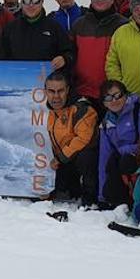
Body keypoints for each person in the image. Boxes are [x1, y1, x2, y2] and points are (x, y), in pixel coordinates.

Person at [96, 79, 140, 209]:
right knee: (111, 163)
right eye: (109, 97)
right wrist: (102, 196)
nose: (114, 100)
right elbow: (104, 158)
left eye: (118, 95)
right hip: (119, 164)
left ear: (125, 95)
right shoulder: (106, 123)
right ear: (104, 103)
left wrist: (123, 150)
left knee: (124, 160)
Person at [45, 71, 99, 205]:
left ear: (68, 90)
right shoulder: (48, 111)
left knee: (86, 157)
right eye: (51, 91)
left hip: (79, 160)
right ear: (45, 92)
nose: (56, 96)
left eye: (60, 91)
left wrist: (60, 158)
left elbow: (83, 139)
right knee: (60, 190)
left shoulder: (82, 109)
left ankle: (90, 198)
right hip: (64, 159)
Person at [70, 0, 127, 99]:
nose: (100, 0)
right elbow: (70, 56)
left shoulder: (124, 26)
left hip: (114, 96)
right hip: (83, 93)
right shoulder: (79, 25)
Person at [0, 0, 75, 70]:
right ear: (21, 3)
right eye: (27, 1)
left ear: (42, 2)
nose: (31, 5)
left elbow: (70, 52)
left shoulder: (53, 27)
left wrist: (64, 59)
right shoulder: (10, 28)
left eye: (35, 1)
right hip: (17, 79)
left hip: (47, 79)